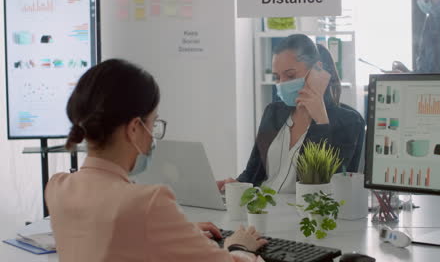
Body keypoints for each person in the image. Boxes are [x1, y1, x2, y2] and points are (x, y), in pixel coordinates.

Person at [45, 59, 267, 262]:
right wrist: (239, 247)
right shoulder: (148, 203)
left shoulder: (57, 188)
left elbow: (105, 234)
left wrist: (175, 232)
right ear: (134, 128)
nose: (153, 134)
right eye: (154, 123)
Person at [218, 34, 365, 193]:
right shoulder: (273, 112)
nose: (281, 84)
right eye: (277, 77)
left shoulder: (349, 122)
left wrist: (321, 121)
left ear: (317, 69)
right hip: (261, 209)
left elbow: (327, 186)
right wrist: (235, 185)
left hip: (305, 214)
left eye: (290, 75)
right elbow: (253, 173)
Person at [393, 0, 440, 73]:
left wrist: (403, 77)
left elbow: (432, 73)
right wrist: (407, 73)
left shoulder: (437, 18)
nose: (419, 0)